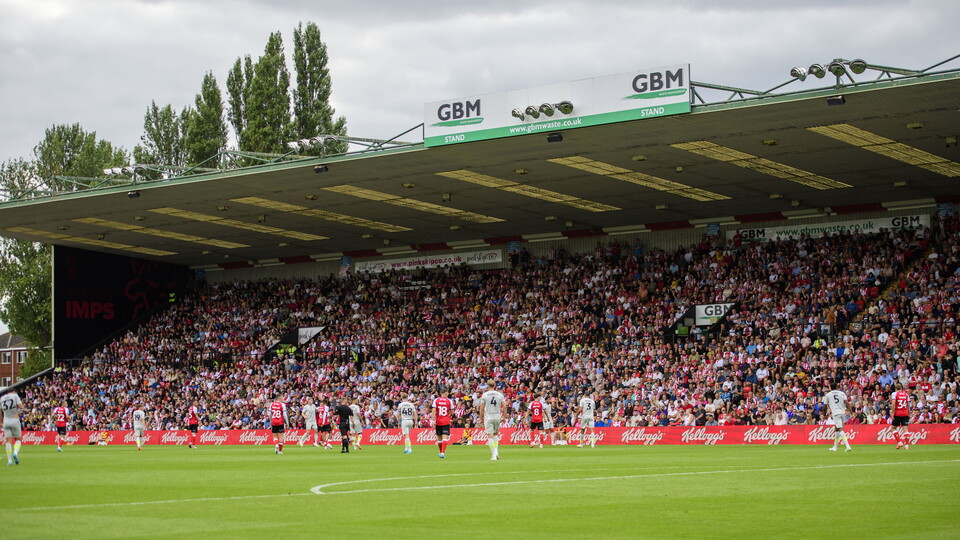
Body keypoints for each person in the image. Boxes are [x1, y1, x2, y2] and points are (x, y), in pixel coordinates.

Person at [478, 380, 506, 460]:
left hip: (489, 417)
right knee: (496, 434)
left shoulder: (485, 395)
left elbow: (482, 408)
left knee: (490, 436)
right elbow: (504, 406)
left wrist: (480, 418)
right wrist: (504, 417)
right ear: (494, 385)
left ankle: (494, 455)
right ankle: (496, 452)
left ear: (488, 385)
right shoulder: (500, 394)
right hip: (497, 416)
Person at [822, 386, 852, 452]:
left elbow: (825, 406)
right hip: (843, 412)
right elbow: (847, 403)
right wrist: (851, 411)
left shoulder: (828, 395)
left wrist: (824, 415)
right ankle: (835, 447)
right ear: (837, 387)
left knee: (840, 429)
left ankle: (847, 446)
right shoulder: (842, 393)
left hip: (836, 413)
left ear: (830, 388)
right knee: (837, 429)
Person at [2, 390, 22, 466]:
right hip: (14, 419)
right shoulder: (15, 396)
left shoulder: (2, 398)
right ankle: (15, 453)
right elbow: (20, 406)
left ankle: (9, 461)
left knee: (8, 441)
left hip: (6, 421)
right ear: (13, 392)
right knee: (18, 440)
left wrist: (1, 421)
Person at [432, 388, 453, 458]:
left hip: (438, 421)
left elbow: (433, 411)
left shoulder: (436, 400)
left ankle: (441, 452)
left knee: (439, 439)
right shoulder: (449, 401)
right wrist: (450, 414)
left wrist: (432, 420)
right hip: (446, 421)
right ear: (446, 393)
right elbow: (452, 412)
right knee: (445, 438)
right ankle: (442, 452)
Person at [890, 383, 911, 450]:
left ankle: (899, 442)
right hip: (905, 413)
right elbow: (908, 405)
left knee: (893, 428)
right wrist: (908, 413)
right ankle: (907, 446)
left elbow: (893, 404)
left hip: (898, 413)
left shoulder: (894, 394)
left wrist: (893, 413)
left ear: (896, 388)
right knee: (906, 429)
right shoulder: (906, 395)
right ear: (901, 388)